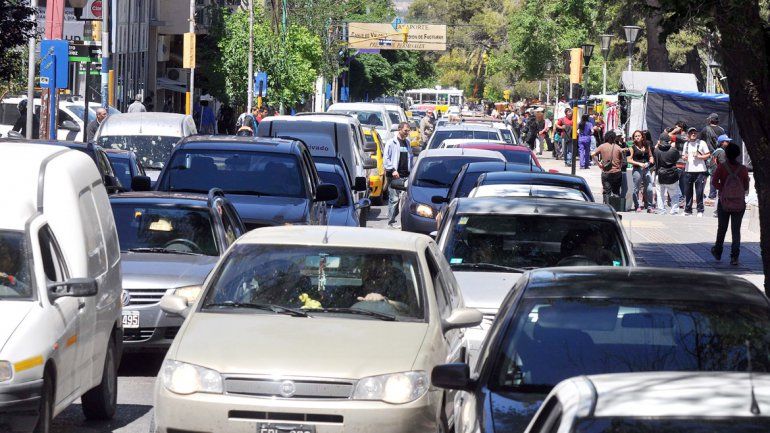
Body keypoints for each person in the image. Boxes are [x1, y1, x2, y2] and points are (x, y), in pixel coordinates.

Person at [710, 141, 749, 265]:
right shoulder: (743, 169)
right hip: (739, 203)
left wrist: (724, 189)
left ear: (726, 154)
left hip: (724, 202)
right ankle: (734, 257)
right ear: (738, 154)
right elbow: (746, 186)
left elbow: (714, 182)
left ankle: (718, 251)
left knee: (722, 228)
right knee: (736, 230)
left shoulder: (722, 167)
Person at [383, 122, 414, 229]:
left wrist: (412, 171)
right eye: (405, 130)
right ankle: (390, 222)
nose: (407, 132)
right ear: (399, 129)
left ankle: (401, 220)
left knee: (405, 200)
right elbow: (386, 158)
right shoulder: (391, 142)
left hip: (406, 175)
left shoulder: (407, 142)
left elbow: (410, 158)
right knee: (394, 199)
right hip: (394, 176)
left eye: (408, 131)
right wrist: (392, 170)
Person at [682, 127, 711, 217]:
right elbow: (683, 156)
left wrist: (699, 156)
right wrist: (684, 158)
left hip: (700, 171)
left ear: (697, 134)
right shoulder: (686, 144)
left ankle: (700, 210)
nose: (693, 134)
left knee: (699, 192)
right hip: (688, 170)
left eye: (694, 132)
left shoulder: (702, 143)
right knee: (688, 191)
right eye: (691, 133)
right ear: (688, 134)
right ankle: (688, 210)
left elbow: (708, 154)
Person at [591, 130, 626, 204]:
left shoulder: (602, 146)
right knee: (616, 191)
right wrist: (619, 167)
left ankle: (606, 206)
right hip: (617, 172)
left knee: (607, 191)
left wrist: (598, 164)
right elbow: (622, 160)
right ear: (614, 138)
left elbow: (592, 154)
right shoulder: (618, 148)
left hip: (606, 172)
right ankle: (615, 206)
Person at [654, 132, 682, 215]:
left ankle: (661, 210)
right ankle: (674, 210)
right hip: (671, 173)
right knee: (674, 194)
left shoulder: (656, 150)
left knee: (660, 194)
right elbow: (677, 158)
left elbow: (655, 160)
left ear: (660, 140)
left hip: (660, 174)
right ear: (669, 141)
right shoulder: (673, 150)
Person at [630, 130, 654, 212]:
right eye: (635, 136)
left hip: (646, 168)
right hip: (637, 169)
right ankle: (637, 205)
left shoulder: (647, 145)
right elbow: (629, 160)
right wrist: (639, 164)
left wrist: (651, 159)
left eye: (639, 136)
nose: (637, 137)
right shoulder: (632, 147)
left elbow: (650, 155)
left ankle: (649, 206)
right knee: (636, 189)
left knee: (650, 188)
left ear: (642, 137)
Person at [706, 134, 731, 206]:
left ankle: (712, 197)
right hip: (718, 172)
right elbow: (723, 163)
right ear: (722, 142)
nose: (729, 143)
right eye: (727, 141)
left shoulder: (717, 150)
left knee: (713, 185)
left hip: (714, 171)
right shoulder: (721, 152)